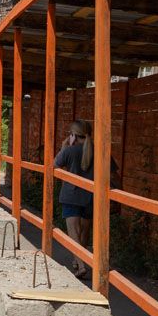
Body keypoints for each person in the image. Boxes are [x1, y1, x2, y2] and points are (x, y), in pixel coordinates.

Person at [54, 119, 96, 278]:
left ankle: (81, 264)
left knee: (74, 231)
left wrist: (64, 147)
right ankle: (78, 261)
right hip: (90, 196)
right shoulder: (98, 151)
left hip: (71, 195)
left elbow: (54, 165)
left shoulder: (69, 151)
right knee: (84, 232)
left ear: (73, 135)